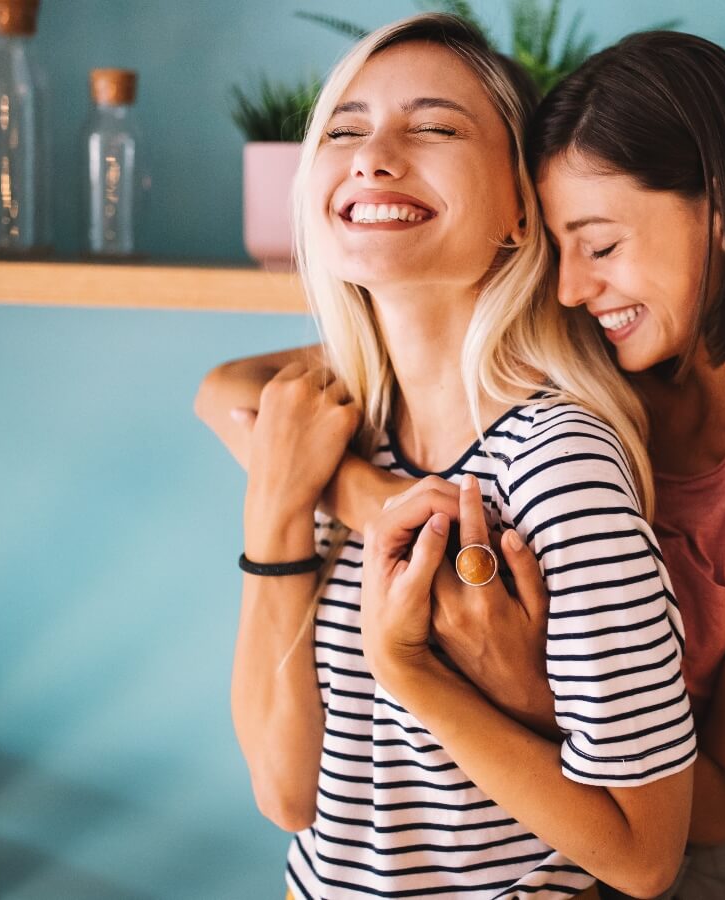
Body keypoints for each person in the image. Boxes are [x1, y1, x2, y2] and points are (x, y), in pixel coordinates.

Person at [199, 30, 725, 899]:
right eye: (559, 243)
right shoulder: (607, 347)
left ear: (720, 218)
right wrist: (379, 503)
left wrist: (497, 672)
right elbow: (231, 390)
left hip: (690, 856)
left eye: (601, 247)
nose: (569, 288)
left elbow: (701, 810)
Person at [215, 14, 699, 898]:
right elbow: (287, 797)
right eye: (344, 129)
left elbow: (644, 857)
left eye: (435, 127)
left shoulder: (558, 465)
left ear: (523, 208)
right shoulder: (341, 427)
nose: (372, 156)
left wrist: (409, 667)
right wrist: (284, 504)